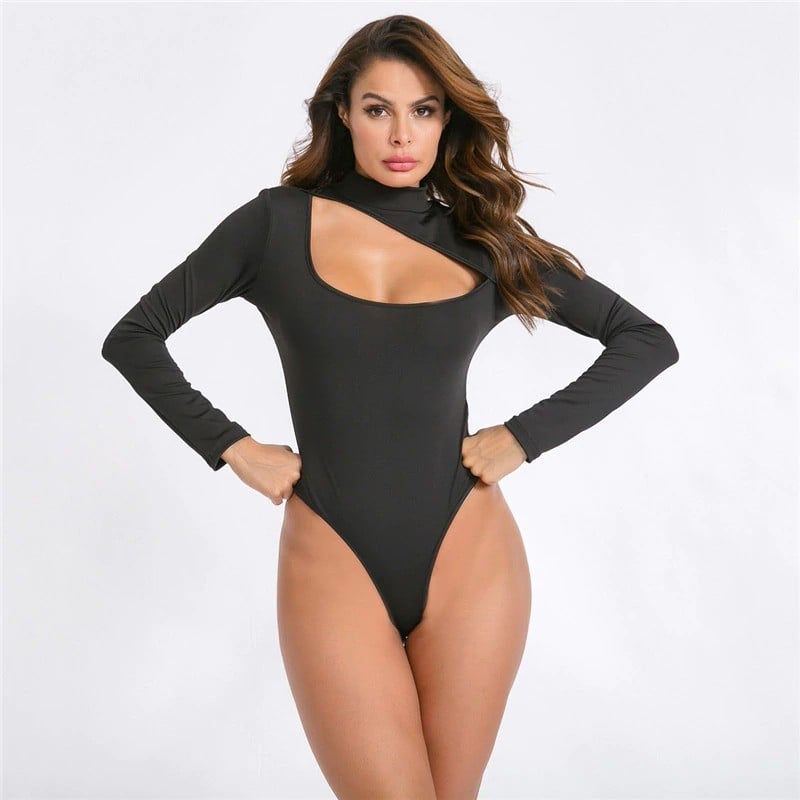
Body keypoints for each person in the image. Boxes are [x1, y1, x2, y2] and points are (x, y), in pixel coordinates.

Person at [101, 14, 679, 799]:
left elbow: (643, 340)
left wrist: (523, 435)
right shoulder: (274, 226)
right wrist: (232, 445)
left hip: (469, 550)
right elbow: (135, 336)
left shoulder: (484, 241)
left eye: (424, 110)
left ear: (447, 120)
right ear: (342, 113)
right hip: (331, 551)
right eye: (378, 109)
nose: (402, 134)